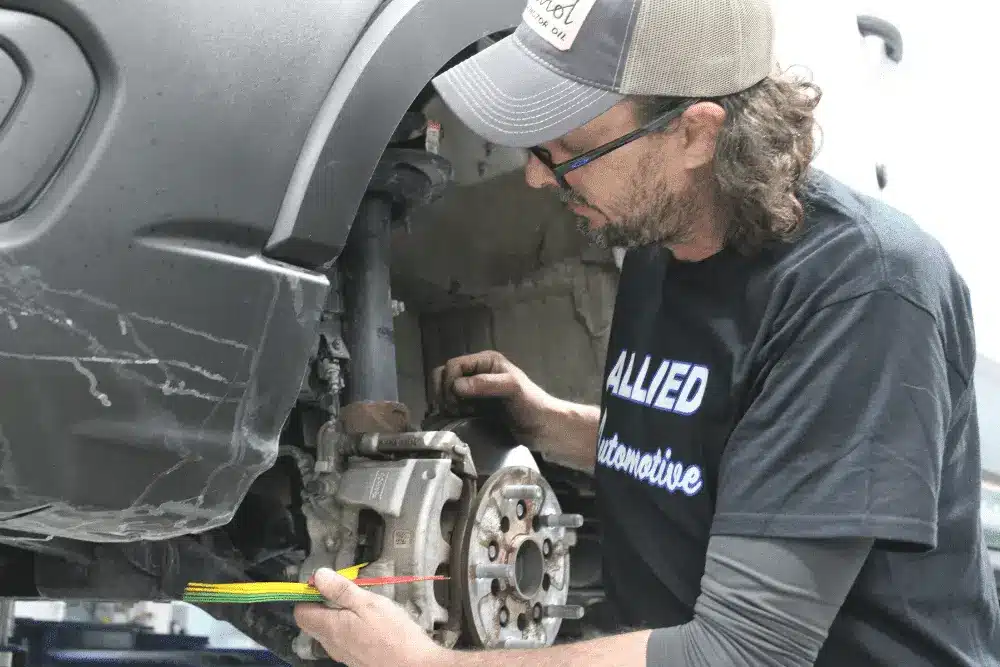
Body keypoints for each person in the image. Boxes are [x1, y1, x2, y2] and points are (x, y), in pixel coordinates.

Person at [294, 0, 1000, 665]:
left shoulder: (863, 292)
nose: (538, 178)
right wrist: (554, 424)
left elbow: (739, 651)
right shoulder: (657, 252)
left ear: (695, 134)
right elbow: (727, 456)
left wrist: (426, 663)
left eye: (564, 150)